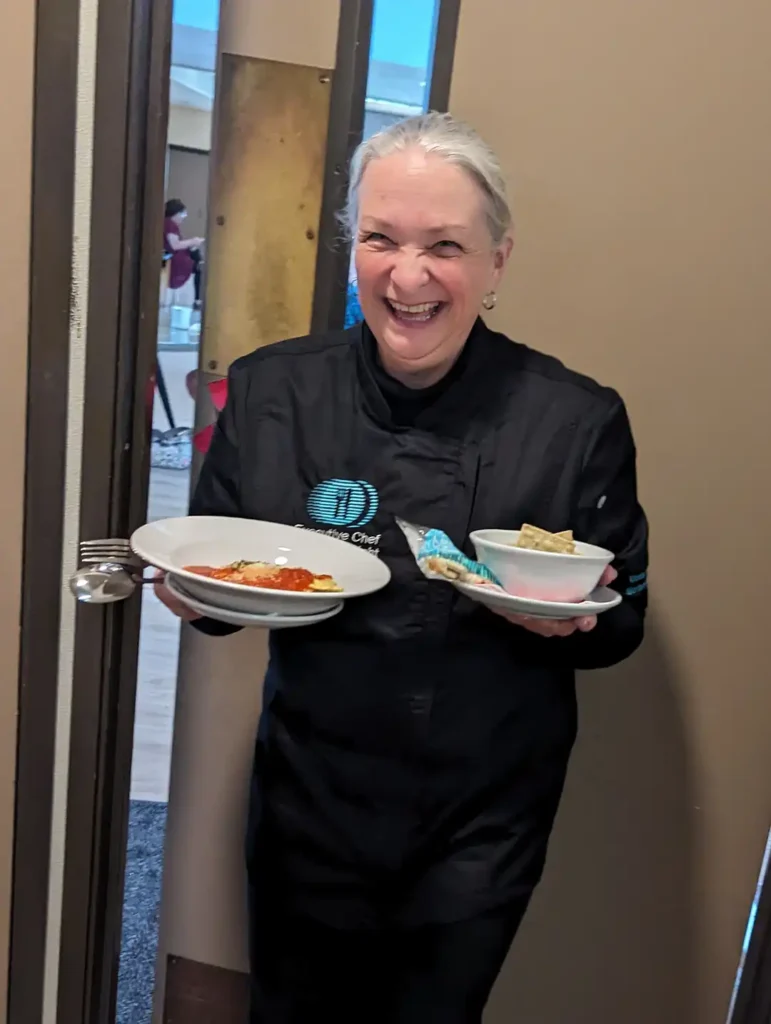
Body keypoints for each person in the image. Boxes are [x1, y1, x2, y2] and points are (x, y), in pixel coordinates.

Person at [156, 112, 649, 1023]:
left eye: (445, 246)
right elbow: (221, 578)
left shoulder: (576, 420)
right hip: (310, 793)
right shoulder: (272, 390)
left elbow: (621, 623)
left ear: (496, 263)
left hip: (480, 819)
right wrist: (197, 596)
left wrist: (568, 618)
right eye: (380, 237)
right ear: (352, 245)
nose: (408, 275)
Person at [163, 197, 205, 309]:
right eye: (182, 215)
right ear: (175, 213)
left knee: (195, 253)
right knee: (198, 263)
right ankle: (197, 300)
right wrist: (193, 241)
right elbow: (175, 245)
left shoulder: (169, 224)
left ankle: (197, 299)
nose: (183, 218)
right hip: (175, 260)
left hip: (176, 256)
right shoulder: (170, 224)